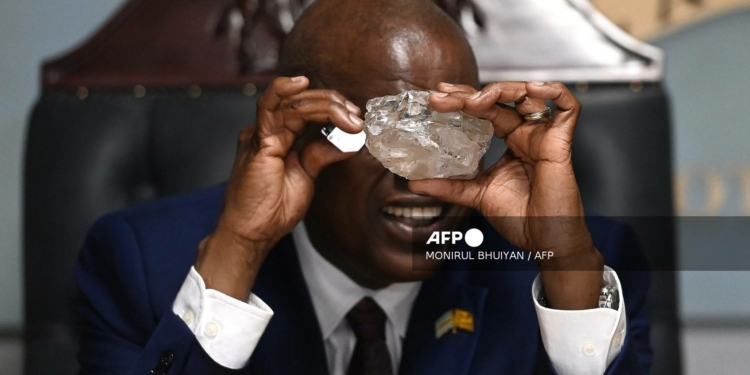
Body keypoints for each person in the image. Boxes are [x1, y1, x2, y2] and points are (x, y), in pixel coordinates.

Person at [75, 0, 652, 374]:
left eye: (448, 132)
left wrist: (563, 259)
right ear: (305, 135)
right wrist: (240, 251)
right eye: (385, 132)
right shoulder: (142, 263)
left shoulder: (569, 263)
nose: (419, 171)